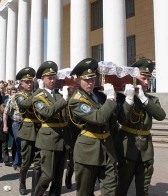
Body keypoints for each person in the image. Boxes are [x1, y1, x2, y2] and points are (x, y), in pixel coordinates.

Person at [116, 58, 166, 196]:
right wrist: (129, 99)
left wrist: (143, 98)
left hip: (146, 149)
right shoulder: (123, 98)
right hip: (127, 146)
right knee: (122, 186)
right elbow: (122, 119)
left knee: (143, 188)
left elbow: (161, 115)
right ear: (133, 78)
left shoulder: (151, 99)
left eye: (148, 79)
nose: (146, 82)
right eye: (143, 78)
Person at [68, 58, 118, 196]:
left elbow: (113, 120)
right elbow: (99, 118)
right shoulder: (77, 100)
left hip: (107, 150)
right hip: (87, 152)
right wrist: (111, 99)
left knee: (110, 190)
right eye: (86, 79)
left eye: (92, 78)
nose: (90, 82)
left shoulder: (99, 96)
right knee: (85, 192)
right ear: (78, 80)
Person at [32, 60, 72, 196]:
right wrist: (64, 99)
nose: (52, 80)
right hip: (49, 140)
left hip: (62, 139)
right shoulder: (38, 97)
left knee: (57, 178)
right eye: (49, 78)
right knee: (47, 175)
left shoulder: (60, 95)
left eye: (54, 77)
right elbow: (47, 112)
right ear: (42, 79)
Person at [14, 67, 41, 196]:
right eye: (27, 82)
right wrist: (38, 94)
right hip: (27, 131)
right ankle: (22, 183)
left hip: (40, 131)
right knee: (26, 161)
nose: (30, 84)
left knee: (38, 162)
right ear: (21, 83)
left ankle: (35, 189)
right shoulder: (20, 95)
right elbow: (25, 104)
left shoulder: (37, 93)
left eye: (31, 81)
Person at [3, 86, 22, 172]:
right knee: (18, 143)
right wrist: (5, 125)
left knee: (24, 145)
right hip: (16, 123)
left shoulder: (30, 97)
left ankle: (21, 162)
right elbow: (6, 113)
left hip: (27, 124)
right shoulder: (13, 99)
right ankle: (17, 164)